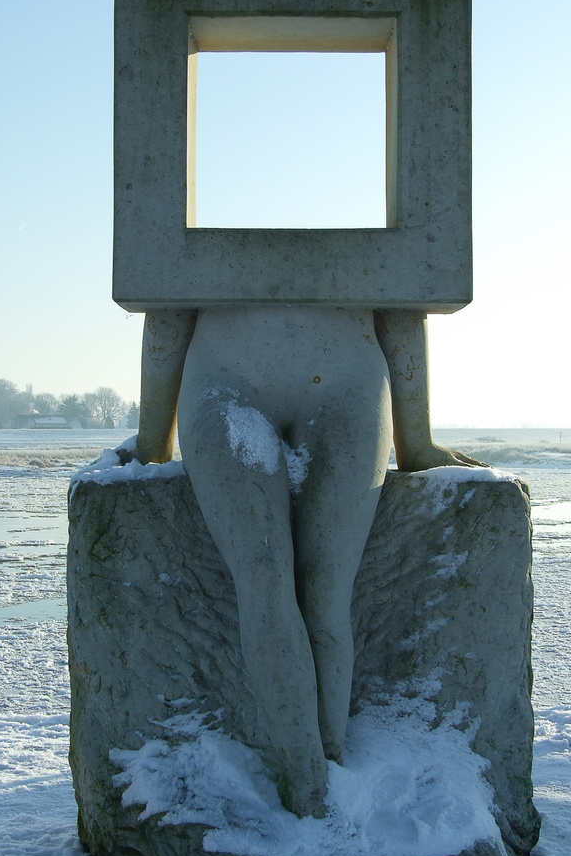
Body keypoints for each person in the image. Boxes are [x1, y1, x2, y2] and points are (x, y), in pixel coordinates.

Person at [136, 305, 479, 817]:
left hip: (345, 377)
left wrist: (416, 440)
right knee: (267, 577)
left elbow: (405, 291)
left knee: (322, 587)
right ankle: (306, 779)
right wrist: (150, 441)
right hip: (227, 379)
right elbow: (165, 292)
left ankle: (329, 764)